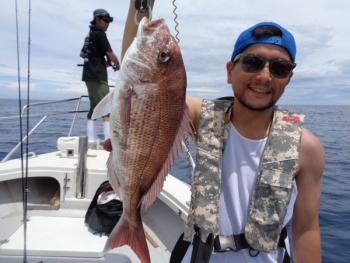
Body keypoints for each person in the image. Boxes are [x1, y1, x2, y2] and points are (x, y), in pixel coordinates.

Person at [105, 2, 325, 262]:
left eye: (279, 68)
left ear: (289, 78)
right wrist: (139, 8)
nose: (265, 76)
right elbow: (145, 86)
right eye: (252, 63)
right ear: (230, 72)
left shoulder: (306, 148)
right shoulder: (203, 117)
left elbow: (306, 229)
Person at [80, 8, 121, 142]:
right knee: (106, 108)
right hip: (98, 77)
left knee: (94, 108)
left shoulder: (89, 34)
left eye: (109, 21)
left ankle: (92, 139)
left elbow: (82, 54)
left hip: (88, 76)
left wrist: (96, 59)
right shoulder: (99, 34)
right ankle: (109, 142)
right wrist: (117, 64)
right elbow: (110, 54)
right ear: (97, 20)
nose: (108, 23)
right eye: (106, 20)